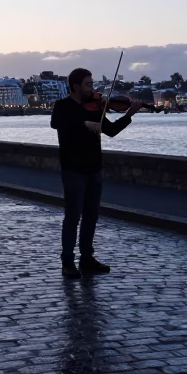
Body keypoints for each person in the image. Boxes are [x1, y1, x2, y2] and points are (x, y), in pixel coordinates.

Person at [50, 68, 141, 278]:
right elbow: (57, 124)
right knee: (72, 217)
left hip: (94, 168)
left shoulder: (95, 108)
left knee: (91, 216)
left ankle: (87, 258)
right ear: (75, 86)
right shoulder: (63, 106)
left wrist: (129, 115)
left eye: (92, 84)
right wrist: (84, 124)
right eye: (88, 84)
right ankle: (67, 262)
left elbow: (110, 131)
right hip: (73, 169)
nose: (93, 88)